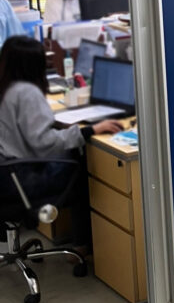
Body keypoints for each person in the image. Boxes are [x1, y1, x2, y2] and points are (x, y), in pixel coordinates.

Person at [0, 36, 122, 252]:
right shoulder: (26, 93)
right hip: (21, 179)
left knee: (74, 152)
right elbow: (44, 143)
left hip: (7, 174)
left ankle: (79, 242)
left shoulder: (5, 87)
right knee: (81, 164)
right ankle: (81, 246)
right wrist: (89, 130)